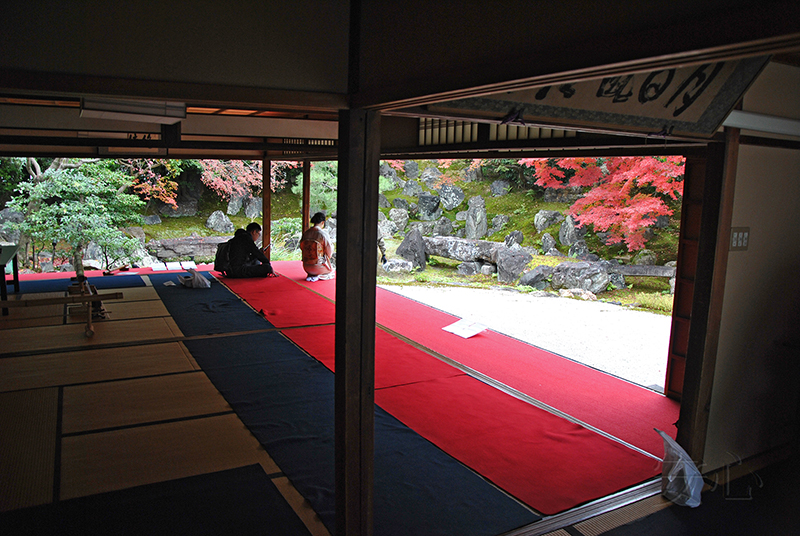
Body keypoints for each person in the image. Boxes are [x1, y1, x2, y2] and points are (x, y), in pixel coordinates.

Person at [300, 212, 334, 282]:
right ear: (322, 222)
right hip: (318, 266)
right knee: (332, 270)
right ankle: (318, 275)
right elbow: (329, 252)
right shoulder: (323, 234)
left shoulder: (306, 233)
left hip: (306, 267)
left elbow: (302, 247)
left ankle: (312, 275)